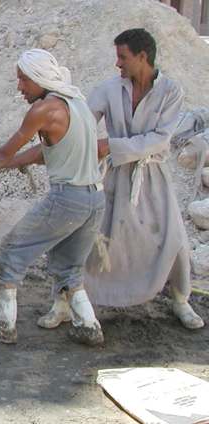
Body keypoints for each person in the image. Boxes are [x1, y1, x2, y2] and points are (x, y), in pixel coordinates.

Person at [0, 49, 105, 346]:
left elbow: (3, 152)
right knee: (69, 269)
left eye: (23, 79)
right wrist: (1, 168)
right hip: (94, 200)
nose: (20, 86)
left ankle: (4, 327)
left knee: (12, 251)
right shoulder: (77, 103)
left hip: (67, 199)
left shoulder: (43, 110)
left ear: (39, 78)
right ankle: (89, 326)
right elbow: (42, 153)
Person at [66, 28, 204, 329]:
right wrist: (63, 129)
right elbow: (86, 123)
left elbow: (159, 140)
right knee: (93, 235)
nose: (118, 63)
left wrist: (111, 146)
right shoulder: (108, 89)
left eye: (122, 56)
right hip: (114, 175)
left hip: (151, 174)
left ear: (142, 56)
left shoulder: (171, 91)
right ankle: (68, 299)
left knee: (173, 237)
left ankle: (181, 299)